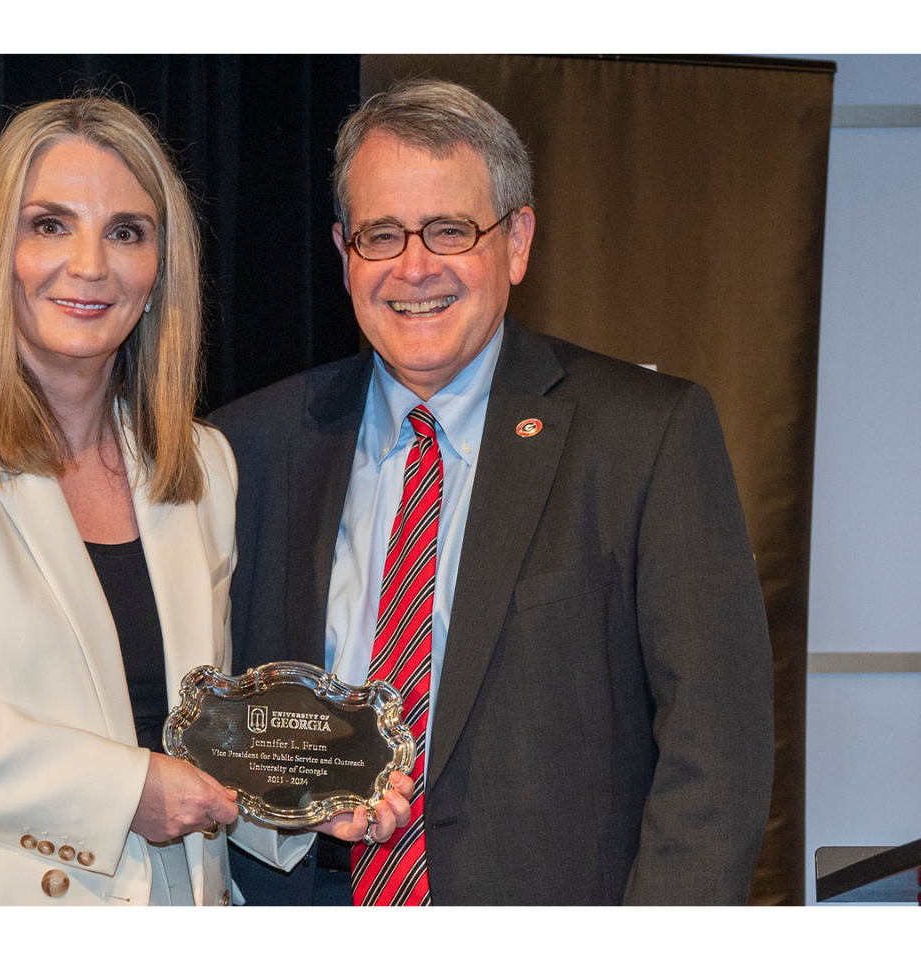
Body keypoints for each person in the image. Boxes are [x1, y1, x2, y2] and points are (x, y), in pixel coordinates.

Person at [0, 96, 410, 907]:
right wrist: (121, 793)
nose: (89, 264)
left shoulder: (200, 467)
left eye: (126, 231)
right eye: (48, 223)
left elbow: (189, 735)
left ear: (158, 272)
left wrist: (300, 802)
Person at [212, 78, 774, 906]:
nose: (414, 267)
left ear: (515, 242)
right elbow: (207, 711)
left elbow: (715, 747)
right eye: (381, 234)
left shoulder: (645, 436)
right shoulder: (246, 447)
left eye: (449, 230)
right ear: (343, 254)